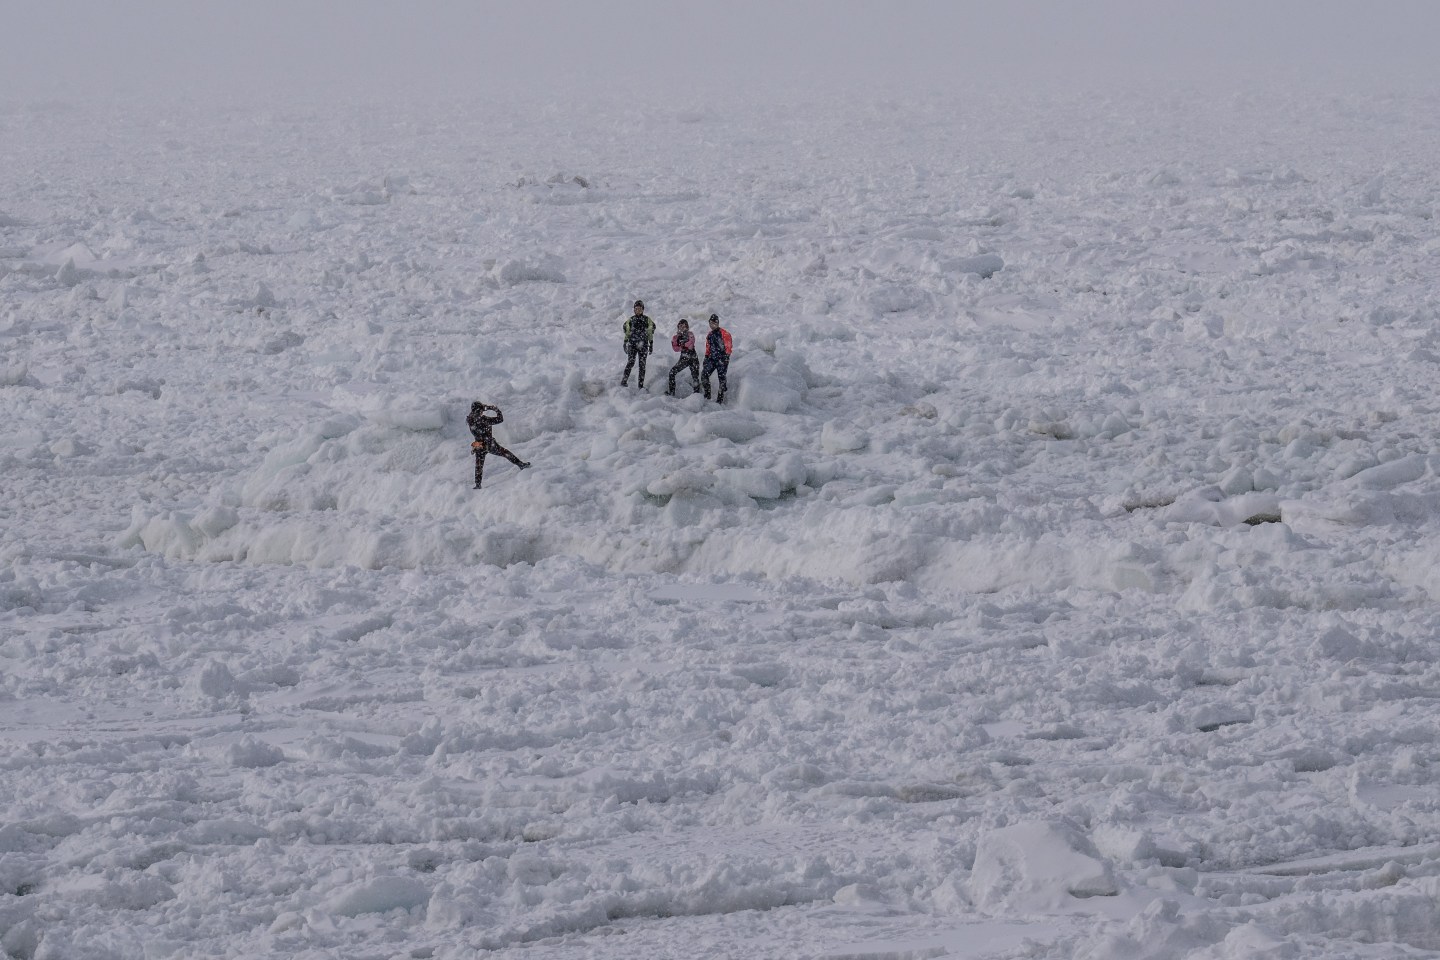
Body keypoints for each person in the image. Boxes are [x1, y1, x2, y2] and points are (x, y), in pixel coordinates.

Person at [467, 401, 529, 490]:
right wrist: (495, 409)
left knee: (479, 466)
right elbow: (500, 419)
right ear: (479, 410)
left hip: (479, 445)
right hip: (489, 444)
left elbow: (476, 416)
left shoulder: (470, 419)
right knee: (505, 453)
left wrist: (482, 408)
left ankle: (478, 484)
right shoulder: (483, 419)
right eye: (481, 410)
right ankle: (521, 464)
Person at [620, 299, 655, 389]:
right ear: (634, 310)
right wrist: (625, 342)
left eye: (640, 309)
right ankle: (624, 381)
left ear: (643, 309)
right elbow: (627, 332)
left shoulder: (647, 320)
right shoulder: (631, 320)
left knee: (642, 365)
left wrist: (651, 344)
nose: (638, 310)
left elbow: (650, 332)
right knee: (631, 362)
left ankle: (640, 385)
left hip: (643, 345)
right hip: (632, 344)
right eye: (636, 309)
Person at [700, 313, 732, 403]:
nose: (712, 325)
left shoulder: (725, 333)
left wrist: (726, 357)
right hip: (712, 359)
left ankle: (720, 400)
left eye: (714, 323)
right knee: (704, 375)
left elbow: (728, 346)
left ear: (718, 323)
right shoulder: (709, 335)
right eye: (710, 323)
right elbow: (708, 347)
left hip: (722, 359)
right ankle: (707, 395)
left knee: (721, 379)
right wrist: (706, 357)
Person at [666, 318, 700, 396]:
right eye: (681, 326)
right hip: (684, 359)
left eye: (684, 326)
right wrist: (680, 343)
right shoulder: (676, 337)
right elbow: (675, 349)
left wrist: (683, 345)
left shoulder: (690, 334)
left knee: (695, 377)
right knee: (672, 373)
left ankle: (697, 395)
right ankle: (672, 393)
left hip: (693, 358)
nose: (682, 328)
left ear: (687, 327)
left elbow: (691, 344)